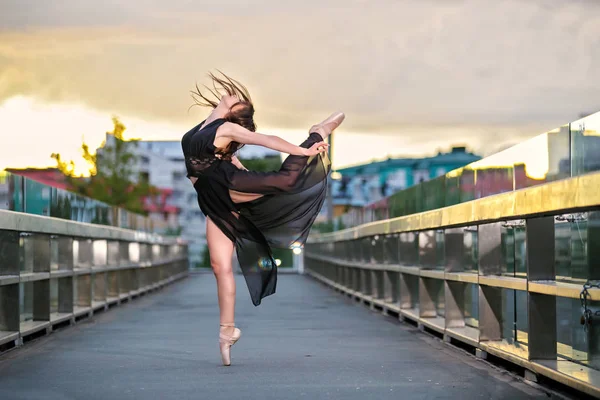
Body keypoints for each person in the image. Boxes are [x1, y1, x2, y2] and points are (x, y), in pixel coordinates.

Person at [181, 71, 345, 366]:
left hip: (229, 186)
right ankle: (227, 332)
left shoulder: (226, 128)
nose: (231, 96)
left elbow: (265, 139)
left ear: (233, 112)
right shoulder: (205, 126)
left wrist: (303, 150)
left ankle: (317, 131)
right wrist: (235, 160)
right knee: (220, 267)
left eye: (235, 100)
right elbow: (221, 157)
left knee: (288, 180)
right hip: (213, 200)